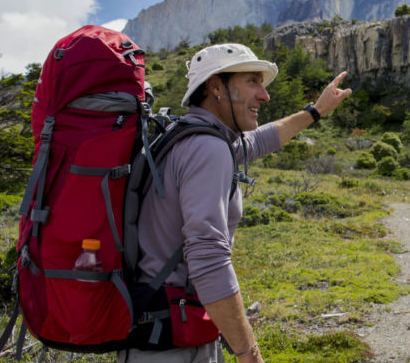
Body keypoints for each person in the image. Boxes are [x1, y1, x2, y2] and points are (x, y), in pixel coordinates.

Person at [118, 43, 352, 363]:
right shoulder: (207, 149)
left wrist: (315, 111)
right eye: (252, 81)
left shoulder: (187, 135)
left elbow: (261, 140)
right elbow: (208, 257)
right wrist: (249, 353)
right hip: (172, 341)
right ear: (216, 86)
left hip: (158, 328)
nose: (264, 95)